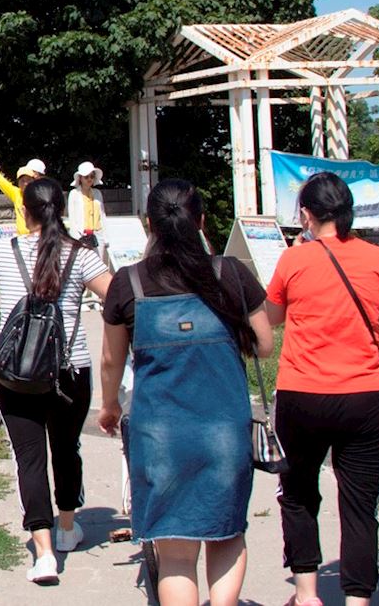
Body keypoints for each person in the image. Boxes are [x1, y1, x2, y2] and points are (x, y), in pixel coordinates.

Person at [98, 179, 274, 606]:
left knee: (176, 555)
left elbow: (110, 361)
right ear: (201, 221)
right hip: (225, 430)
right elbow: (265, 345)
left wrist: (109, 406)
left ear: (149, 224)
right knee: (226, 533)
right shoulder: (230, 273)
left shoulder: (129, 283)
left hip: (160, 434)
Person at [265, 171, 379, 606]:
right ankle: (358, 599)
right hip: (364, 396)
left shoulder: (293, 261)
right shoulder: (375, 257)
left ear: (306, 215)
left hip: (302, 394)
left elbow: (271, 318)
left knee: (297, 495)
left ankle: (307, 593)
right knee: (359, 504)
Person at [0, 177, 111, 585]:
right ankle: (67, 527)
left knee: (29, 458)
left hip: (17, 373)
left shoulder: (5, 251)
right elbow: (118, 298)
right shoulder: (82, 256)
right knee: (66, 448)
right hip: (69, 371)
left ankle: (43, 553)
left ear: (25, 212)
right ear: (61, 210)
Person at [0, 148, 45, 236]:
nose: (25, 183)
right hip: (22, 238)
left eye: (28, 180)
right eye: (22, 180)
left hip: (39, 237)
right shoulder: (16, 193)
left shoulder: (43, 195)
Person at [66, 161, 107, 258]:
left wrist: (105, 236)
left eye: (92, 176)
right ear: (80, 178)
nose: (89, 179)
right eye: (86, 177)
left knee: (98, 262)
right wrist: (76, 237)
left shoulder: (97, 193)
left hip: (97, 234)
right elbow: (72, 217)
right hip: (81, 234)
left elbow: (102, 215)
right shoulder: (74, 194)